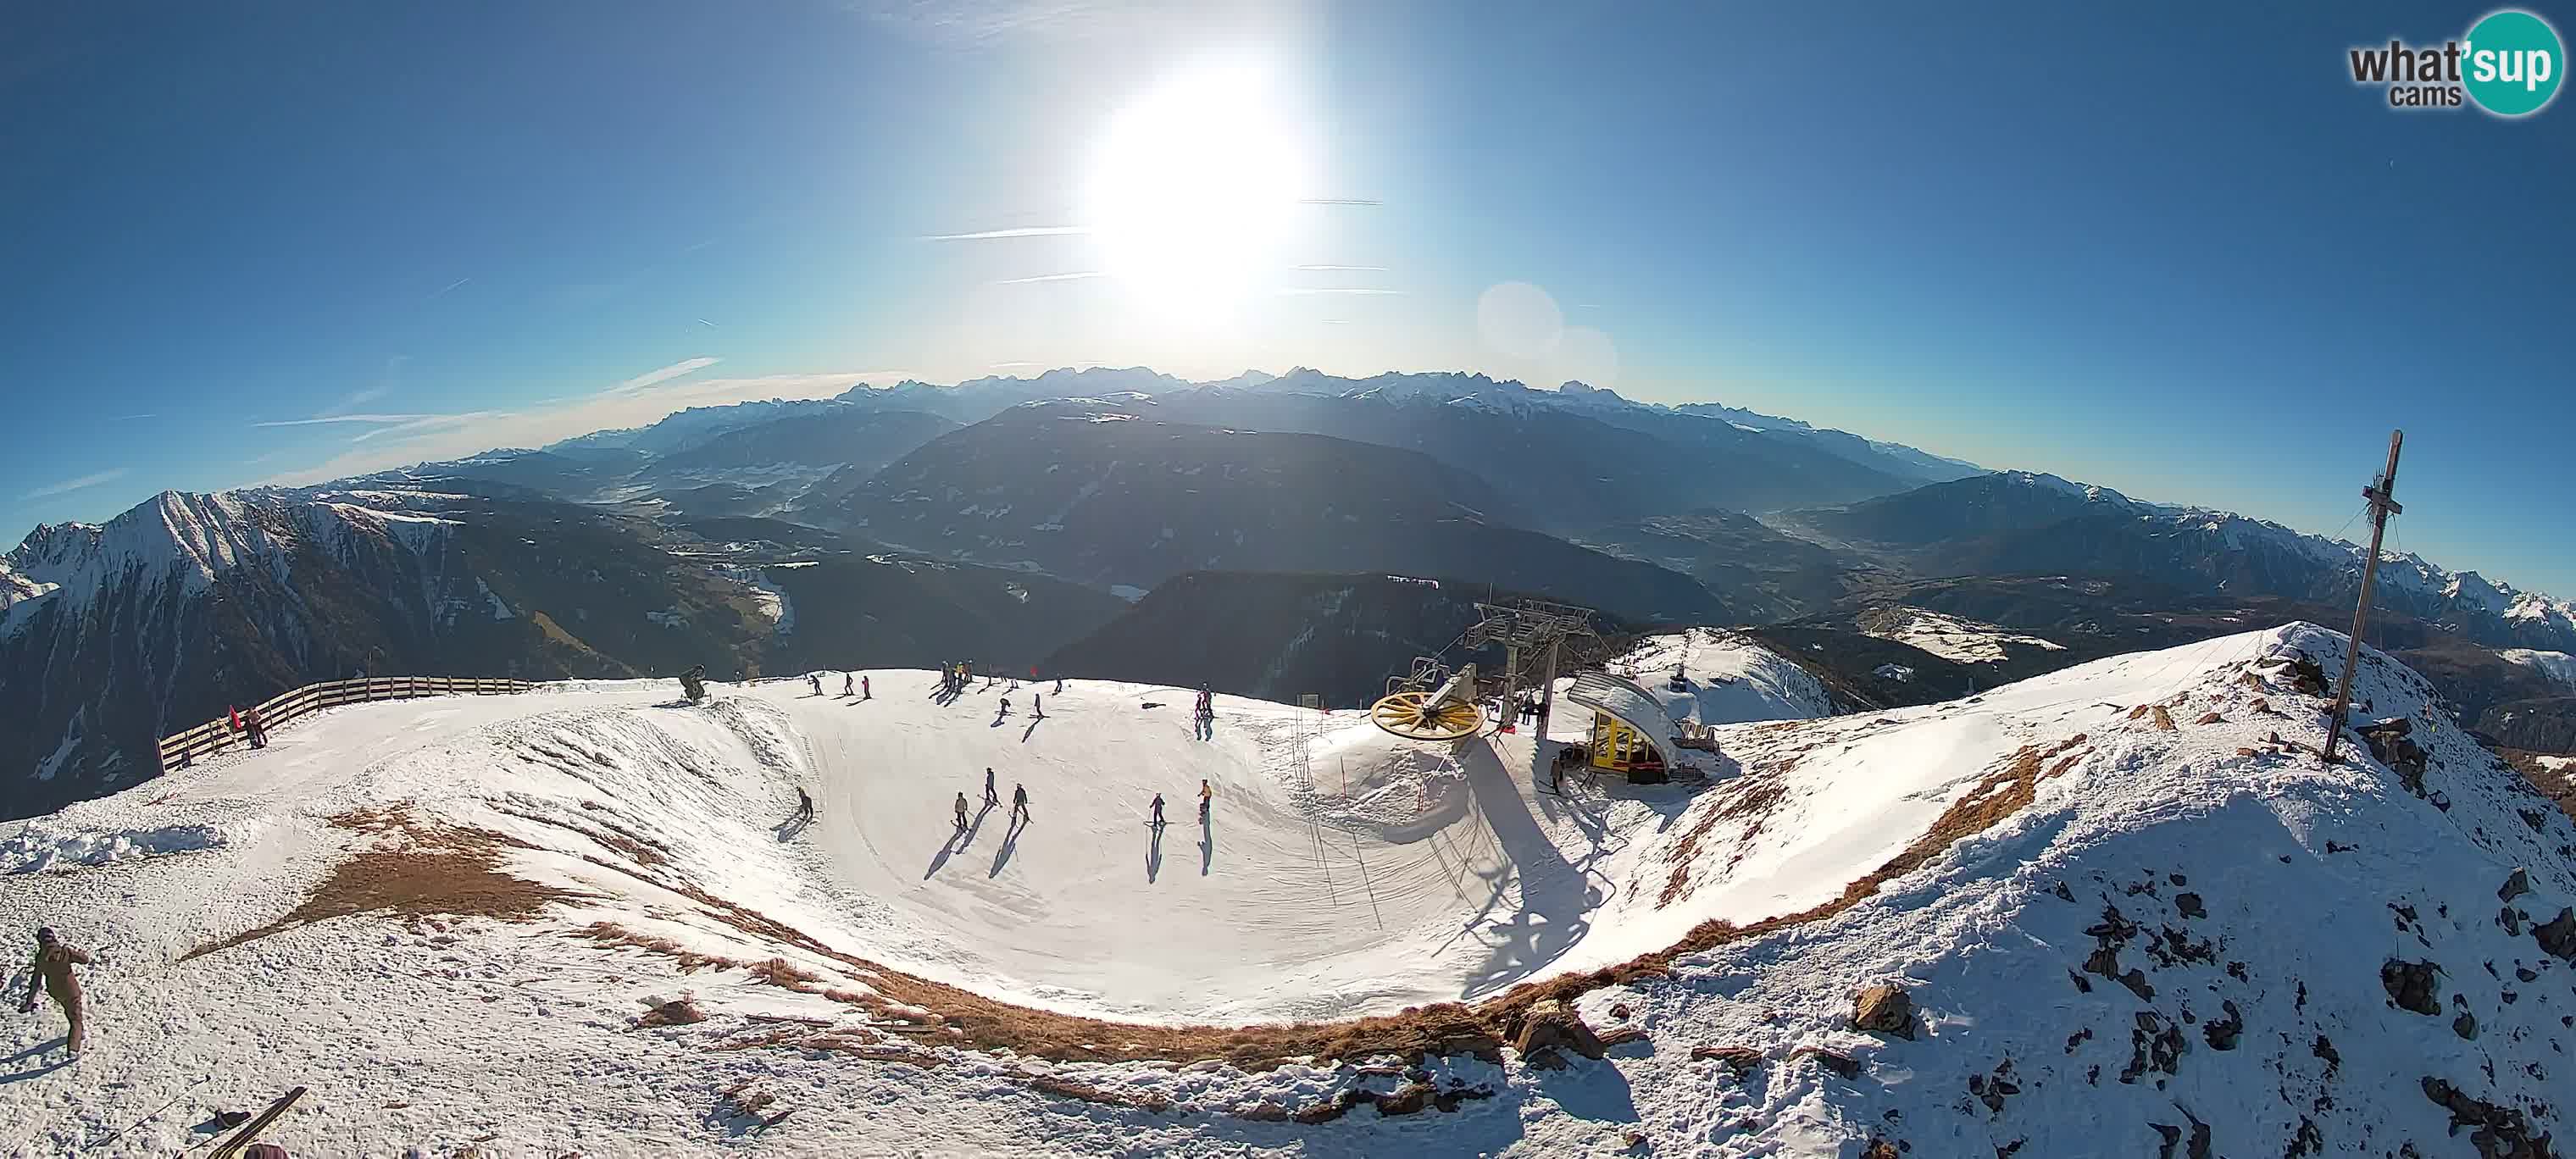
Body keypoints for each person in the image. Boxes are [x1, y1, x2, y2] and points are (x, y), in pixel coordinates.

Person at [21, 927, 92, 1056]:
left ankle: (78, 1032)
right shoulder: (65, 951)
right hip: (71, 990)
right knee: (76, 1019)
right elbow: (85, 960)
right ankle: (74, 1048)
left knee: (70, 1010)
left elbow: (35, 982)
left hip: (56, 992)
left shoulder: (41, 958)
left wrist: (29, 1002)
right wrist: (74, 951)